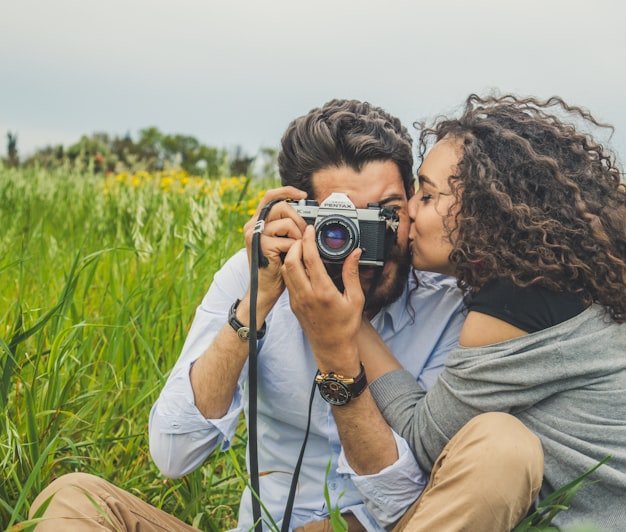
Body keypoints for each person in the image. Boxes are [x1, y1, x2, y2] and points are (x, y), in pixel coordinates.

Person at [292, 94, 626, 531]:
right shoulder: (555, 287)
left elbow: (425, 438)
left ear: (485, 212)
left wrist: (349, 324)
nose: (410, 213)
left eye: (428, 194)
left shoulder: (513, 307)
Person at [28, 99, 473, 531]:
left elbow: (414, 505)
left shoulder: (447, 306)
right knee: (73, 498)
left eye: (387, 215)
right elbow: (175, 453)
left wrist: (338, 347)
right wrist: (257, 301)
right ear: (297, 216)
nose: (362, 246)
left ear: (414, 203)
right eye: (340, 225)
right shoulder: (256, 274)